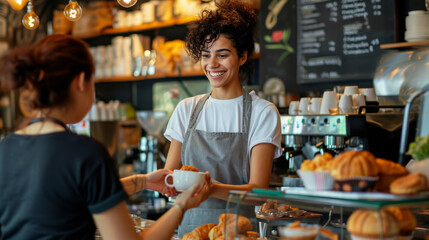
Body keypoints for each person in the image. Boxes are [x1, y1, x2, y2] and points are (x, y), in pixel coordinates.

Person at [0, 34, 208, 240]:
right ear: (81, 81)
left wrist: (142, 181)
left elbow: (67, 194)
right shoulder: (85, 153)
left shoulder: (6, 147)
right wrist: (181, 206)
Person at [162, 0, 282, 236]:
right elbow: (170, 177)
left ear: (243, 56)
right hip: (190, 233)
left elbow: (258, 192)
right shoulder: (187, 109)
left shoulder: (263, 112)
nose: (212, 64)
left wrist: (211, 188)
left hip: (238, 233)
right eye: (206, 55)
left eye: (223, 55)